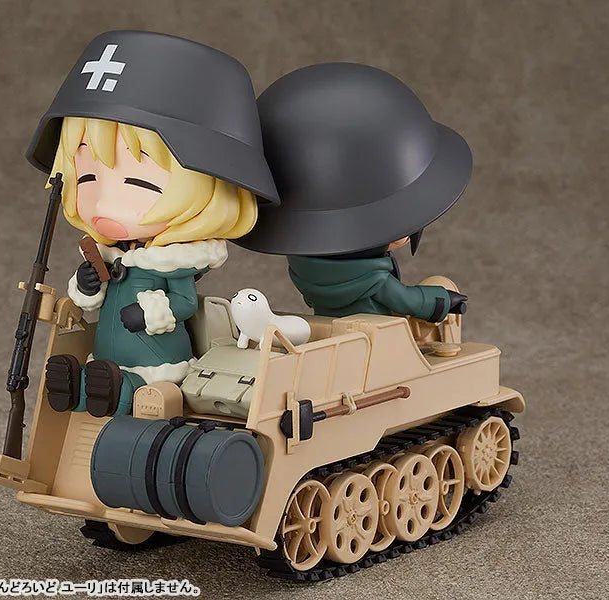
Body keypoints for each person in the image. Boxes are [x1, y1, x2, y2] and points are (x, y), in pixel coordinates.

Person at [24, 31, 278, 417]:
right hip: (108, 353)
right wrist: (88, 285)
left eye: (139, 184)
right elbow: (91, 298)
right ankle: (80, 389)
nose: (104, 203)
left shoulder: (172, 263)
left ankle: (110, 391)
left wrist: (148, 314)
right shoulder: (110, 254)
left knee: (132, 390)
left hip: (156, 358)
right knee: (99, 380)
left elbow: (184, 302)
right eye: (87, 179)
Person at [235, 62, 470, 320]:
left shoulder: (307, 273)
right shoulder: (374, 281)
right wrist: (444, 301)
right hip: (375, 333)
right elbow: (411, 301)